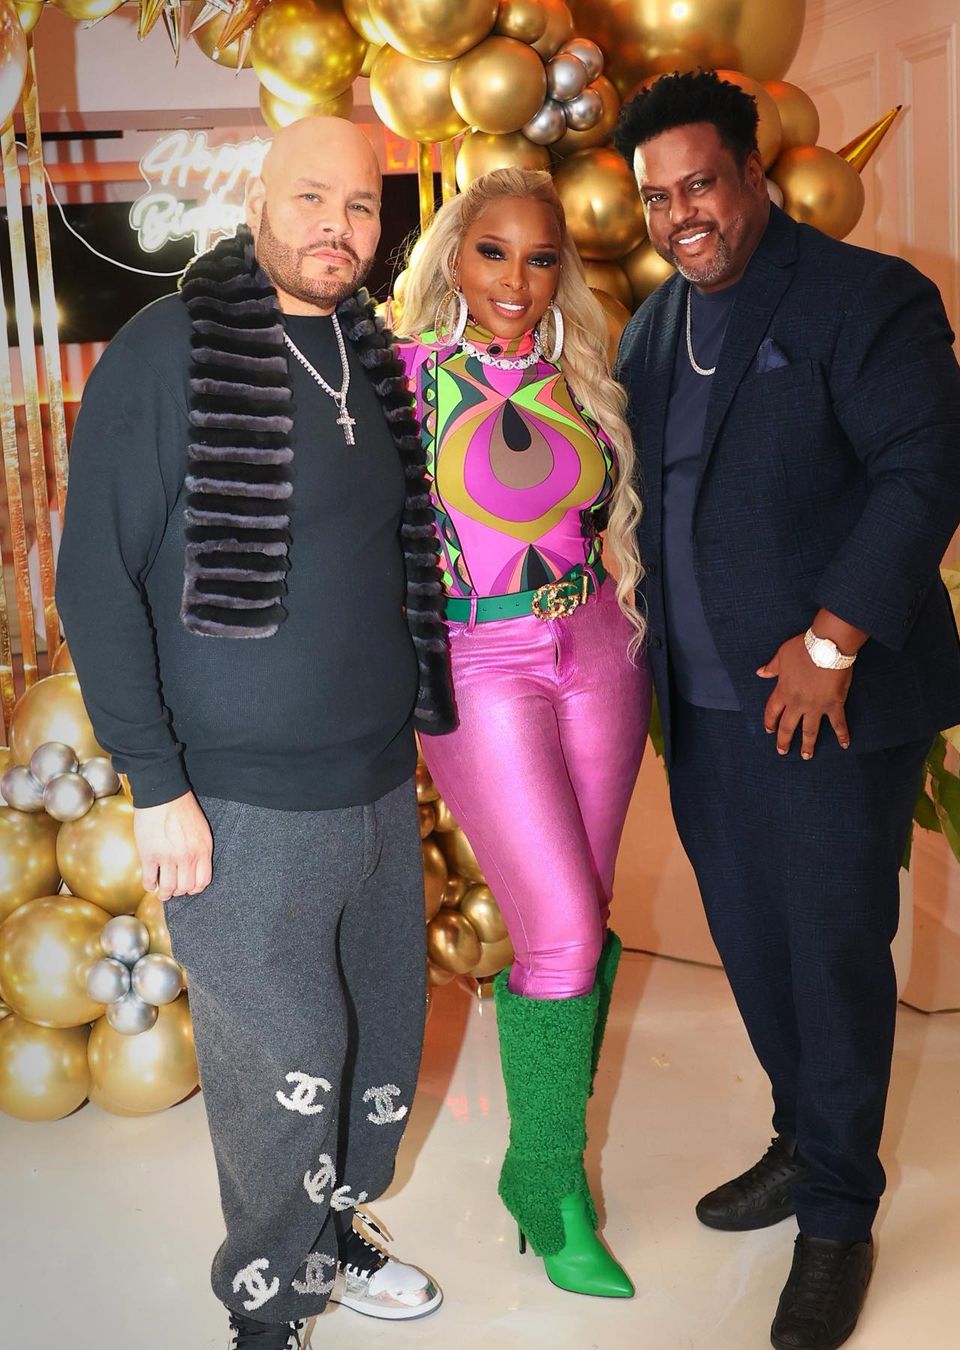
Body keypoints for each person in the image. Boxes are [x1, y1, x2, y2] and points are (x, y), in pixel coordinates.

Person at [56, 117, 455, 1350]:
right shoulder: (167, 348)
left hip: (375, 782)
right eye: (310, 197)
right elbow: (95, 581)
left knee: (374, 1042)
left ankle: (332, 1235)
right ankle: (268, 1306)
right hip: (235, 800)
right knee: (284, 1066)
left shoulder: (368, 353)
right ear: (257, 201)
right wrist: (155, 783)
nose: (336, 226)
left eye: (361, 206)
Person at [613, 72, 960, 1350]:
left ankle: (837, 1215)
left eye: (700, 184)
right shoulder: (654, 328)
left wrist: (833, 638)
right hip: (705, 711)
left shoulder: (862, 296)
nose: (681, 215)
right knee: (757, 947)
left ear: (754, 175)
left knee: (828, 952)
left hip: (830, 702)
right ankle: (801, 1137)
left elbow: (928, 466)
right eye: (657, 198)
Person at [394, 168, 652, 1298]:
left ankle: (547, 1155)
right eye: (492, 251)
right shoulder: (404, 376)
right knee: (560, 929)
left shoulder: (582, 375)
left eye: (541, 257)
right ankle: (550, 1190)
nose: (516, 278)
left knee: (583, 917)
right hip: (478, 662)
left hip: (600, 651)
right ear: (455, 257)